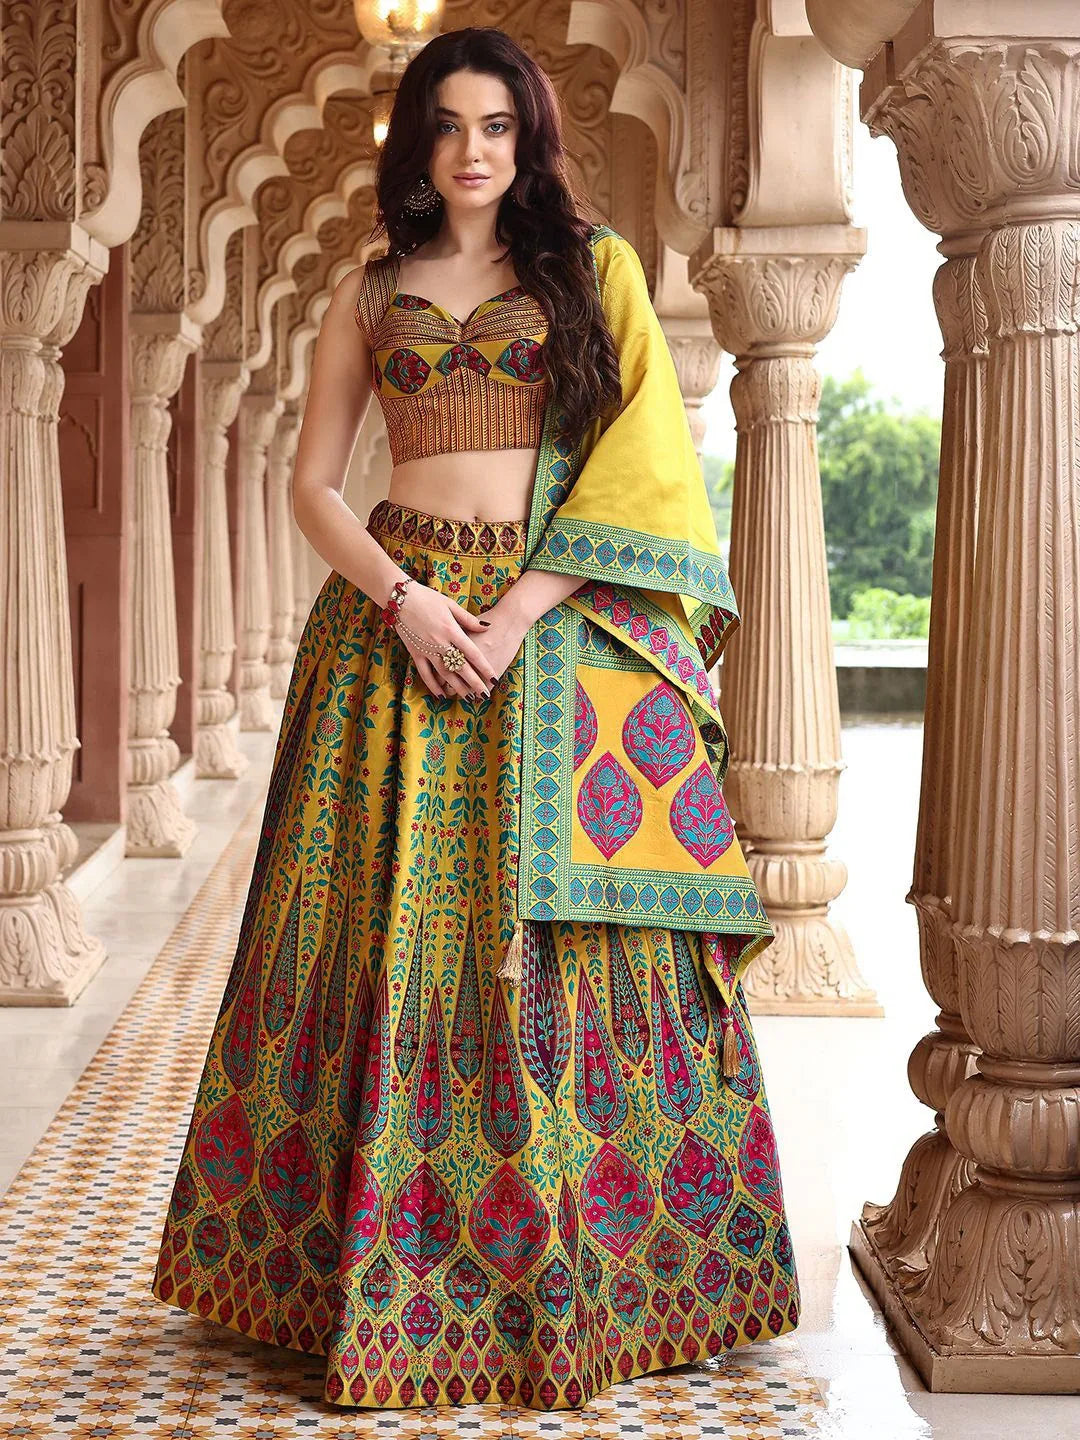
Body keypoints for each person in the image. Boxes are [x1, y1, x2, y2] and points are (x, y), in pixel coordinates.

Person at [150, 24, 799, 1412]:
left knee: (561, 955)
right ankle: (348, 1279)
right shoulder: (371, 288)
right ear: (413, 141)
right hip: (388, 644)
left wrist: (509, 614)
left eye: (497, 125)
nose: (471, 151)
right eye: (446, 125)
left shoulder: (593, 272)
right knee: (372, 936)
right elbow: (317, 484)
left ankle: (625, 1277)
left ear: (530, 137)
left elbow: (642, 465)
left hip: (553, 646)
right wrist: (405, 604)